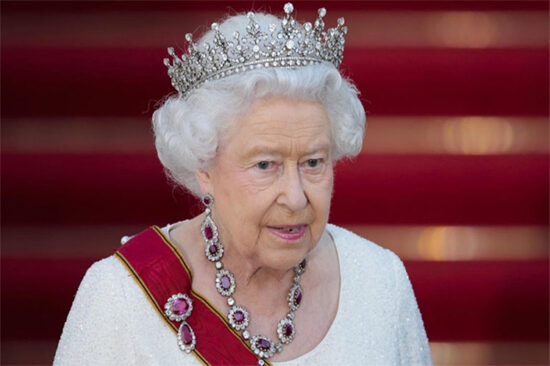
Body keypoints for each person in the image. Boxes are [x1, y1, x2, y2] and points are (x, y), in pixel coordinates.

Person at [54, 3, 431, 365]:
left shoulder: (380, 281)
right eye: (265, 165)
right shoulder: (121, 296)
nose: (296, 197)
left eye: (313, 162)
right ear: (204, 167)